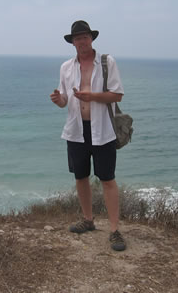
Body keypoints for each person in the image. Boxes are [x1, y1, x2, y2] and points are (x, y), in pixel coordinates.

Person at [50, 20, 126, 252]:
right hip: (76, 130)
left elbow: (117, 95)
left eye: (85, 37)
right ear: (72, 42)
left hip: (102, 129)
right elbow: (65, 101)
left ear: (91, 39)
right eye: (77, 38)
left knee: (107, 179)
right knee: (81, 177)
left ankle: (114, 230)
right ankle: (88, 220)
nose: (81, 41)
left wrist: (91, 96)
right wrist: (59, 100)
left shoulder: (106, 62)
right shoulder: (66, 67)